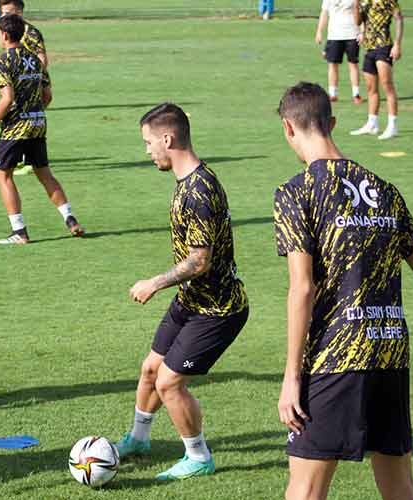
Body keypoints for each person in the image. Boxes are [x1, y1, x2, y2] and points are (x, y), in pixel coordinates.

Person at [273, 82, 413, 500]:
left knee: (304, 490)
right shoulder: (385, 191)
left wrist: (291, 376)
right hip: (390, 353)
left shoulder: (296, 192)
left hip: (335, 357)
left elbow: (302, 288)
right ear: (332, 123)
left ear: (288, 128)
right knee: (399, 488)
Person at [116, 103, 249, 481]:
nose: (147, 151)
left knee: (169, 382)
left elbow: (200, 261)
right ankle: (139, 440)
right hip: (192, 300)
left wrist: (154, 283)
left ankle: (198, 456)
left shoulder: (199, 190)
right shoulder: (186, 181)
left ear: (167, 138)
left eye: (148, 142)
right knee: (150, 369)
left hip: (218, 308)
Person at [0, 14, 83, 244]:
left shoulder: (3, 61)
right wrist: (34, 111)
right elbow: (47, 96)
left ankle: (19, 231)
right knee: (44, 173)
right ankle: (70, 219)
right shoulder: (35, 60)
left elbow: (6, 98)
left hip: (15, 128)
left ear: (4, 35)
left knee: (2, 176)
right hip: (38, 124)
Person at [350, 0, 402, 140]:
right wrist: (355, 5)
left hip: (384, 46)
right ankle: (372, 124)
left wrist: (397, 44)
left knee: (387, 86)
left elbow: (398, 19)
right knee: (371, 88)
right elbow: (358, 21)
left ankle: (393, 125)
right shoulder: (365, 1)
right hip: (369, 48)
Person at [0, 0, 53, 108]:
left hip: (28, 79)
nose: (3, 16)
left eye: (7, 13)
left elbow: (42, 59)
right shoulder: (6, 29)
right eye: (2, 13)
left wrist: (32, 79)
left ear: (19, 12)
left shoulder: (31, 33)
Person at [315, 0, 362, 104]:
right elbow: (324, 13)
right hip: (334, 36)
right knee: (332, 65)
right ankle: (333, 94)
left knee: (353, 64)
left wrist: (362, 32)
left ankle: (356, 94)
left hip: (353, 34)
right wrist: (319, 31)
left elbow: (362, 11)